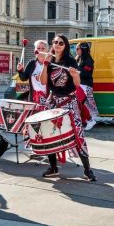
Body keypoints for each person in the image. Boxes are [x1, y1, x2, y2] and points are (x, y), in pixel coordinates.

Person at [39, 34, 96, 181]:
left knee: (77, 132)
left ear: (65, 46)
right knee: (48, 133)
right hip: (53, 101)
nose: (57, 45)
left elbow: (77, 83)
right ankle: (53, 167)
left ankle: (87, 169)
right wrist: (45, 64)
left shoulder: (70, 61)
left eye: (61, 43)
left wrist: (75, 74)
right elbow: (43, 81)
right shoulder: (49, 60)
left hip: (69, 102)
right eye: (55, 42)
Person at [17, 40, 49, 105]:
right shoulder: (31, 63)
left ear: (47, 51)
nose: (40, 50)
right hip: (34, 97)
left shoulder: (50, 64)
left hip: (47, 97)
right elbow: (23, 78)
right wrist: (20, 70)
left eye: (43, 48)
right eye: (38, 48)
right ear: (35, 51)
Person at [76, 42, 99, 130]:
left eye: (78, 49)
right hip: (79, 84)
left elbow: (86, 73)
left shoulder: (88, 60)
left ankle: (92, 119)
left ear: (83, 49)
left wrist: (77, 71)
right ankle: (87, 120)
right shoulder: (79, 58)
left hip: (85, 85)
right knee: (83, 103)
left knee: (88, 103)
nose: (76, 50)